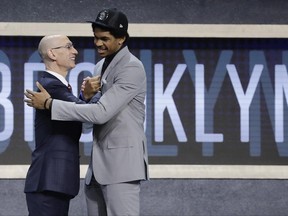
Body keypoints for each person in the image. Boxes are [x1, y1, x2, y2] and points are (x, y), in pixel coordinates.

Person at [24, 8, 149, 216]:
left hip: (121, 167)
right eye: (96, 38)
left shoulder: (132, 68)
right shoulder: (99, 67)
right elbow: (88, 121)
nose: (98, 43)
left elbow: (100, 113)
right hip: (97, 170)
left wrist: (50, 104)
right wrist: (87, 99)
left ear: (121, 39)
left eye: (105, 38)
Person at [24, 34, 101, 216]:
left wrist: (85, 98)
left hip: (53, 182)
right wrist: (92, 99)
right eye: (68, 46)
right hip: (49, 181)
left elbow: (74, 113)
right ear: (52, 53)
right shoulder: (51, 86)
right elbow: (86, 113)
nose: (74, 51)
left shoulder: (58, 87)